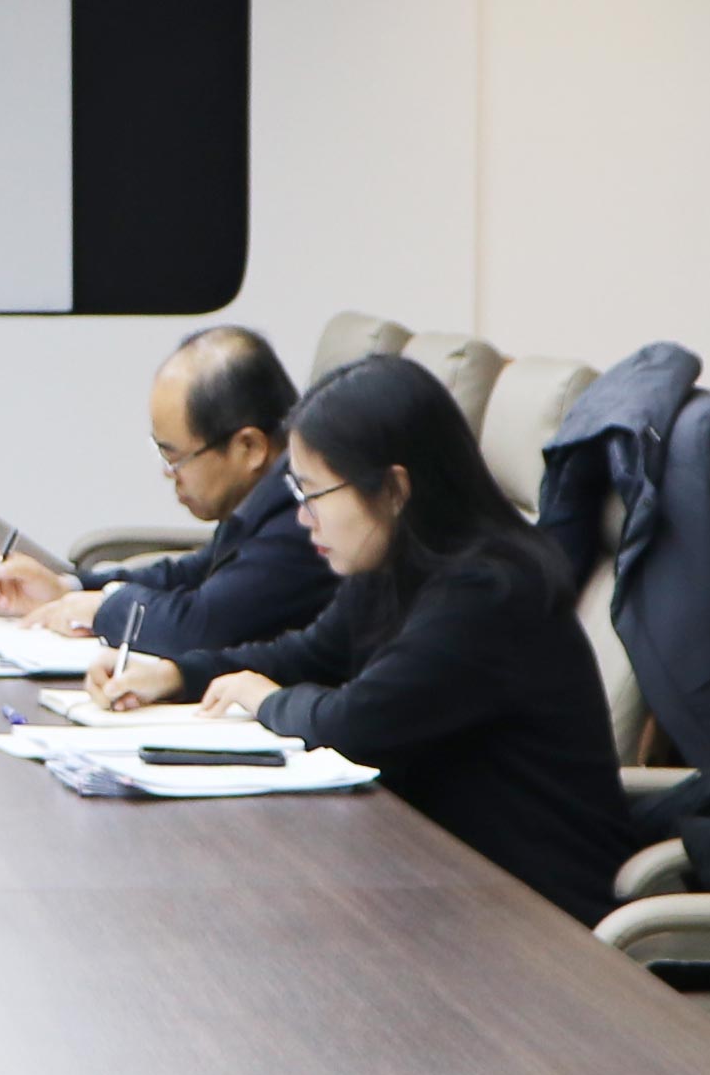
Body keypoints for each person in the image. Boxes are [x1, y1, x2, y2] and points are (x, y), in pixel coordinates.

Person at [183, 354, 633, 924]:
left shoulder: (489, 592)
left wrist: (264, 700)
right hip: (442, 884)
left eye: (315, 494)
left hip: (536, 919)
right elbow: (309, 655)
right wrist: (178, 674)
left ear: (393, 488)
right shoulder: (400, 559)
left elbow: (352, 725)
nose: (303, 520)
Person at [0, 325, 329, 690]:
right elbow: (195, 573)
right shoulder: (265, 495)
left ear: (250, 448)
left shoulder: (302, 514)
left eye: (177, 458)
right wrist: (68, 588)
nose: (169, 474)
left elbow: (200, 626)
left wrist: (103, 610)